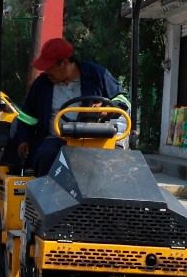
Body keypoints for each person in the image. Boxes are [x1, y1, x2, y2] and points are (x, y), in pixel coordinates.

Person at [11, 37, 128, 175]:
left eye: (49, 68)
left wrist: (109, 108)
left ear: (64, 63)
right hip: (56, 141)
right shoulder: (42, 85)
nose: (46, 73)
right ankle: (48, 195)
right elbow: (27, 117)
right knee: (46, 156)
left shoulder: (97, 76)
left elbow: (122, 100)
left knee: (114, 166)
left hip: (94, 141)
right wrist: (23, 139)